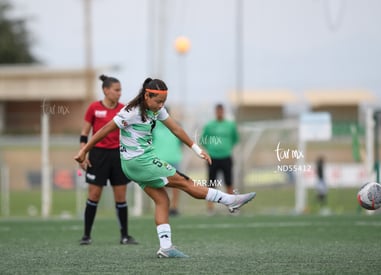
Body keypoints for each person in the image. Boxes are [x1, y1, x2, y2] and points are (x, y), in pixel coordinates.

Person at [74, 77, 256, 258]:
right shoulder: (131, 111)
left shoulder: (155, 110)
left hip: (137, 163)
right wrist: (84, 151)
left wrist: (196, 148)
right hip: (139, 162)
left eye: (164, 102)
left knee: (162, 201)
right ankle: (230, 201)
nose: (161, 105)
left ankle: (166, 247)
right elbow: (105, 129)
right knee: (185, 182)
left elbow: (176, 129)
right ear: (147, 96)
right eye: (158, 101)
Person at [78, 74, 137, 245]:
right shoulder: (94, 108)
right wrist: (83, 153)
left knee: (121, 196)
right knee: (94, 195)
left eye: (120, 90)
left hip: (118, 156)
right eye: (116, 90)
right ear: (106, 90)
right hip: (97, 155)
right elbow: (84, 132)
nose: (119, 93)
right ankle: (86, 236)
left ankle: (125, 236)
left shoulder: (124, 109)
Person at [200, 103, 239, 215]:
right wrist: (212, 149)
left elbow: (235, 139)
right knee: (211, 183)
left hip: (226, 157)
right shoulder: (209, 125)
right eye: (218, 111)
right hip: (212, 158)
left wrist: (226, 148)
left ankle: (232, 207)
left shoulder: (230, 125)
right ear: (215, 112)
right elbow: (204, 140)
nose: (219, 113)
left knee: (229, 182)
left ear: (224, 111)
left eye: (221, 111)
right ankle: (210, 209)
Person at [152, 107, 183, 216]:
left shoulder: (176, 124)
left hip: (174, 158)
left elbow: (181, 141)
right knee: (162, 185)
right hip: (160, 160)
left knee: (177, 185)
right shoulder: (153, 125)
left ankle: (174, 207)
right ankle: (164, 206)